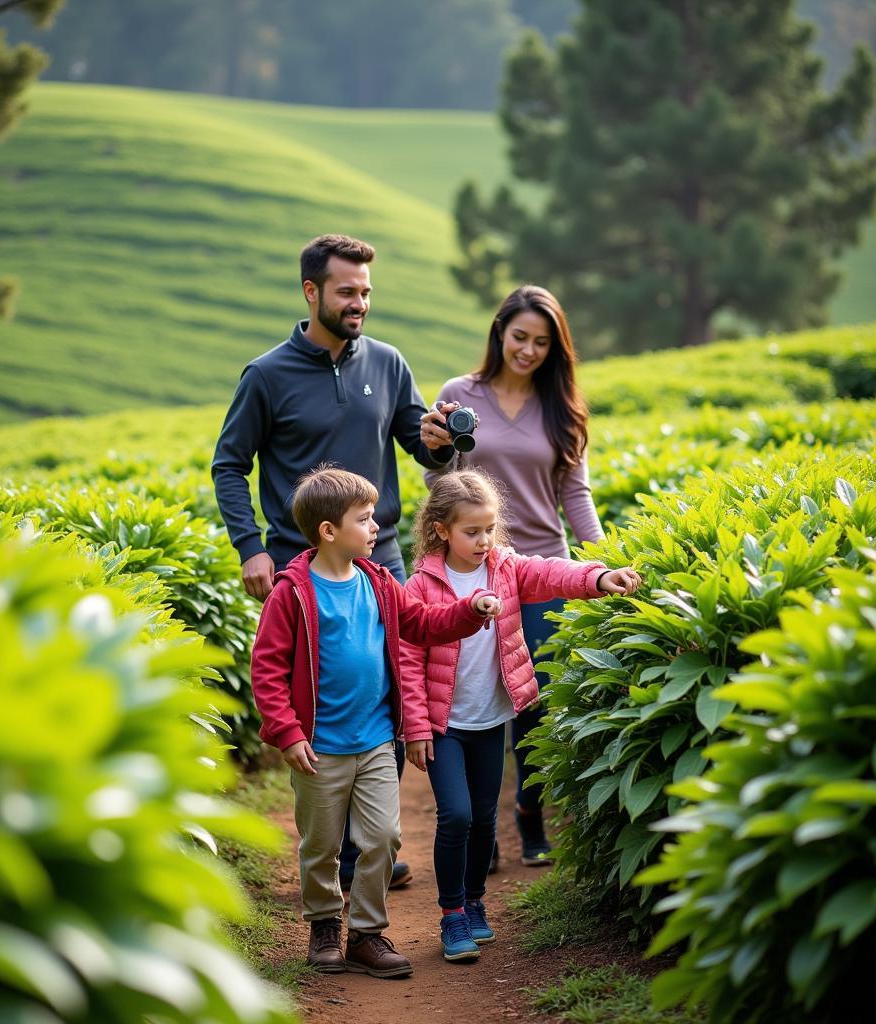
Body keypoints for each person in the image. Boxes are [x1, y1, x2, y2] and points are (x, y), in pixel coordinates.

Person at [212, 233, 458, 889]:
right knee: (319, 697)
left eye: (367, 293)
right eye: (348, 291)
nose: (360, 304)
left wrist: (439, 444)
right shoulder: (266, 376)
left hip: (381, 563)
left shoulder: (389, 362)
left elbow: (422, 449)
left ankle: (368, 841)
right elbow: (229, 465)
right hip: (301, 569)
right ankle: (341, 849)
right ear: (311, 291)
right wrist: (250, 546)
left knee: (390, 689)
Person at [250, 466, 501, 977]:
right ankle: (324, 925)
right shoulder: (291, 593)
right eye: (364, 520)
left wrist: (470, 610)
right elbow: (268, 670)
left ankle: (367, 934)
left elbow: (424, 624)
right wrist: (288, 733)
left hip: (376, 742)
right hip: (319, 748)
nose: (375, 528)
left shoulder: (379, 582)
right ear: (328, 531)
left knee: (383, 838)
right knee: (320, 846)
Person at [400, 470, 641, 962]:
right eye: (472, 532)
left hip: (490, 719)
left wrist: (598, 577)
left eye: (489, 529)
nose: (484, 540)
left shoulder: (506, 567)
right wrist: (417, 727)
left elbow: (553, 573)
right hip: (446, 725)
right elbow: (407, 657)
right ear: (442, 530)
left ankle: (474, 902)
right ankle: (451, 915)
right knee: (457, 816)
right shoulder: (421, 585)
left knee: (485, 819)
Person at [420, 285, 605, 869]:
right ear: (500, 332)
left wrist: (602, 558)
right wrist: (438, 450)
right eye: (520, 336)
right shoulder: (459, 395)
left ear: (555, 349)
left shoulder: (563, 408)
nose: (528, 350)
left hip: (541, 572)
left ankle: (529, 808)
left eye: (541, 342)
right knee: (476, 699)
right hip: (473, 573)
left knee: (535, 702)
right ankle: (482, 827)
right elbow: (441, 491)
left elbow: (575, 494)